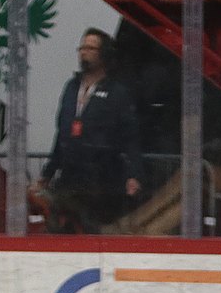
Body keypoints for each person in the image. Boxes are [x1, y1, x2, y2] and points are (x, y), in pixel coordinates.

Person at [30, 29, 143, 234]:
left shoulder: (117, 92)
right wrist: (48, 172)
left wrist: (133, 175)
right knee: (59, 226)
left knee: (92, 230)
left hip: (101, 179)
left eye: (90, 48)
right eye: (82, 48)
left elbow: (130, 137)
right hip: (70, 175)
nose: (83, 52)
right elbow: (61, 134)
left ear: (103, 53)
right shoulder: (72, 87)